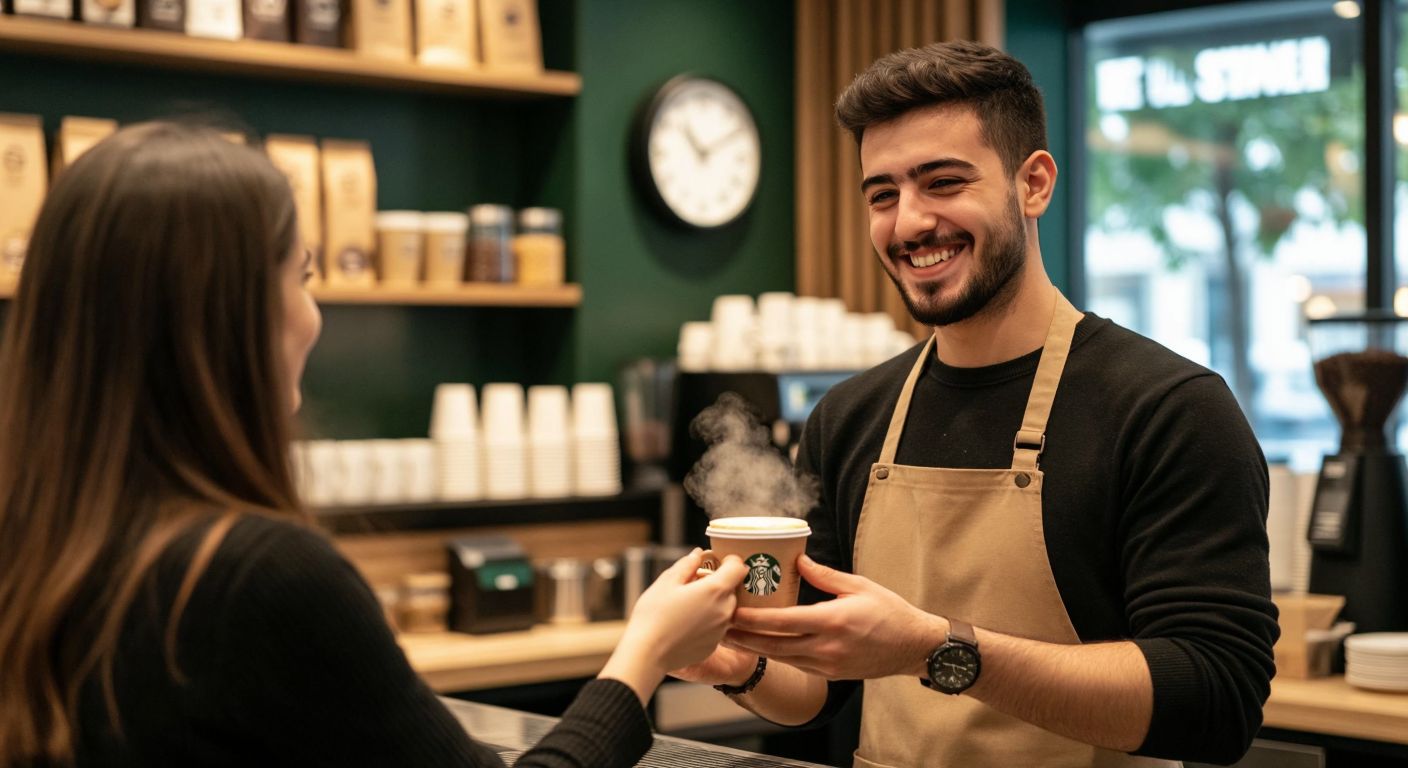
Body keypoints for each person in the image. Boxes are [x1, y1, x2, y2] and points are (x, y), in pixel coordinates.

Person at [0, 121, 749, 768]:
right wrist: (645, 653)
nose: (313, 315)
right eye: (301, 277)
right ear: (228, 318)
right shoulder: (259, 578)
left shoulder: (35, 550)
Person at [672, 40, 1278, 767]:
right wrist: (744, 665)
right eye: (883, 194)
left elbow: (1215, 702)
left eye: (943, 182)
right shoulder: (849, 417)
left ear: (1035, 184)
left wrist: (935, 647)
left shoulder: (1167, 410)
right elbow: (822, 685)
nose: (909, 224)